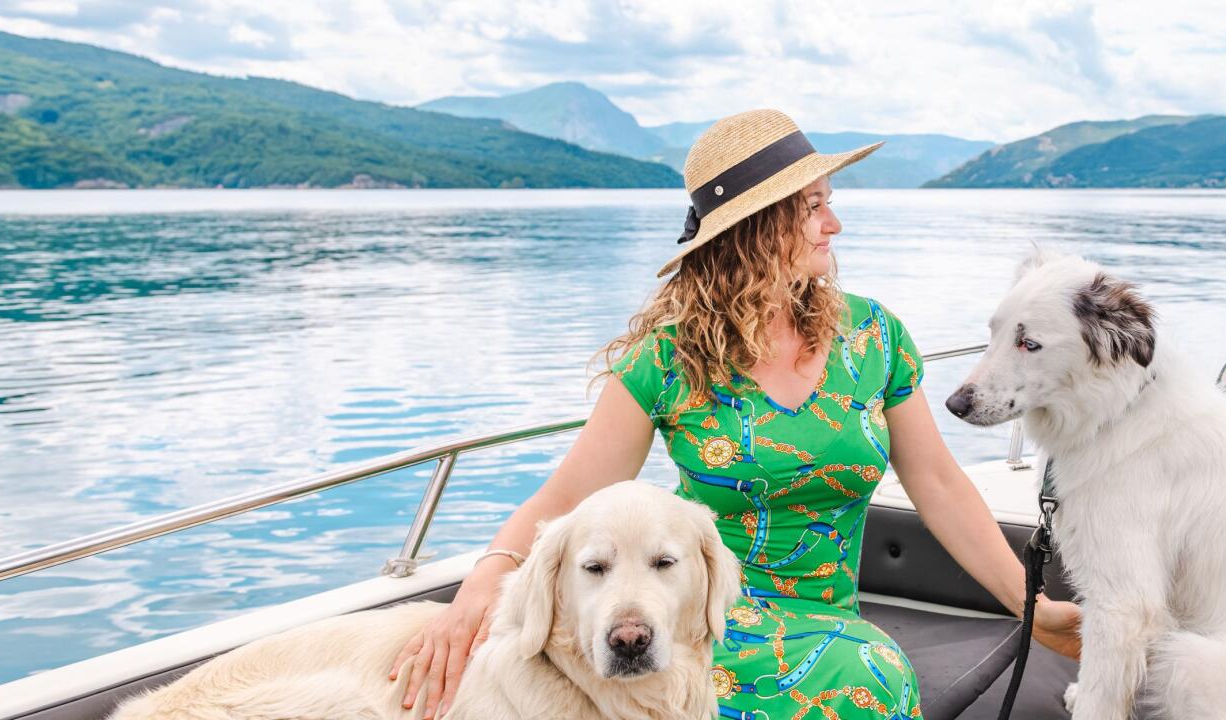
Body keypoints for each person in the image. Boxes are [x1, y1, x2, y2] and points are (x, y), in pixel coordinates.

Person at [388, 109, 1082, 719]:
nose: (833, 223)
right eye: (814, 206)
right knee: (864, 677)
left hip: (826, 621)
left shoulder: (874, 339)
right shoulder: (668, 360)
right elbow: (569, 498)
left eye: (828, 201)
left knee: (867, 673)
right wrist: (483, 583)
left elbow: (942, 486)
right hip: (701, 618)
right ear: (760, 225)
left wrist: (1033, 608)